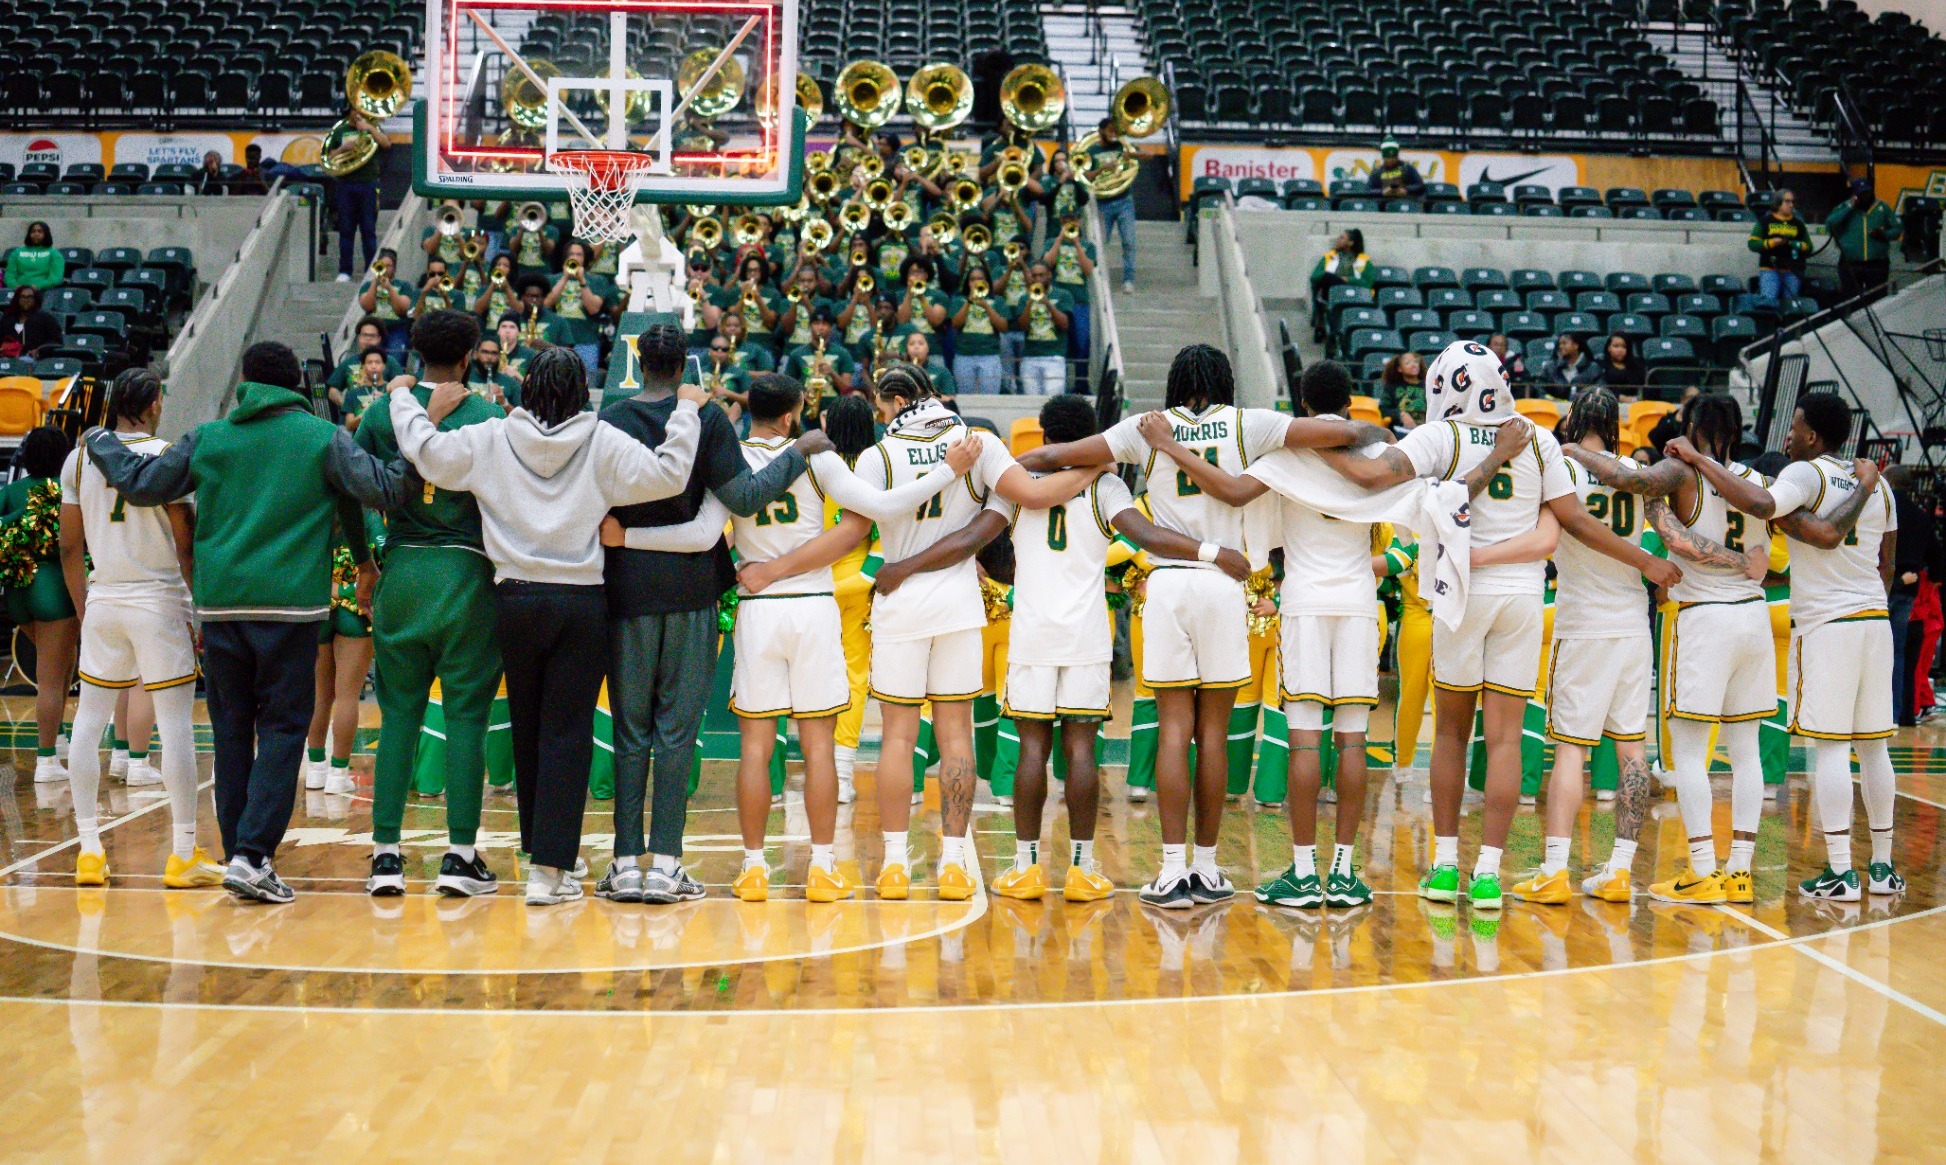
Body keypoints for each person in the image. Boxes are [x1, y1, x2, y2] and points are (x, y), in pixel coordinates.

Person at [1018, 344, 1390, 908]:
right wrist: (1333, 435)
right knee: (1213, 734)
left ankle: (1171, 872)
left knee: (1173, 729)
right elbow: (1356, 434)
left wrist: (1009, 466)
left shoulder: (1146, 428)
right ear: (1226, 380)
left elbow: (1050, 458)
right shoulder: (1253, 424)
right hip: (1225, 580)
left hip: (1168, 581)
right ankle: (1210, 869)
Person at [1316, 341, 1679, 911]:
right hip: (1525, 596)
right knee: (1506, 738)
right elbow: (1572, 521)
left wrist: (1304, 450)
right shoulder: (1536, 439)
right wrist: (1647, 562)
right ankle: (1488, 875)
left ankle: (1443, 868)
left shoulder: (1443, 436)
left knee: (1452, 734)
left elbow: (1369, 476)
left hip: (1463, 592)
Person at [620, 371, 978, 902]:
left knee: (755, 748)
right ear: (794, 413)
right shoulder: (818, 457)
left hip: (759, 609)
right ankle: (822, 867)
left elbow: (700, 534)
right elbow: (873, 515)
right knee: (817, 748)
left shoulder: (729, 456)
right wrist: (945, 473)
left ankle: (754, 868)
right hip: (812, 607)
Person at [876, 393, 1244, 902]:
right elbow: (1150, 537)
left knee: (1032, 749)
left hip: (1031, 633)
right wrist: (1212, 552)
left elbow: (974, 542)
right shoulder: (1106, 485)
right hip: (1086, 638)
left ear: (1045, 435)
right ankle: (1081, 868)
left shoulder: (1014, 489)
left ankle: (1026, 867)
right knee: (1081, 749)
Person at [84, 341, 412, 904]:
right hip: (288, 612)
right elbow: (379, 490)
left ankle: (239, 852)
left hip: (219, 609)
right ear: (297, 387)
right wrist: (414, 429)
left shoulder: (210, 437)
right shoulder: (321, 437)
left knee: (232, 732)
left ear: (246, 382)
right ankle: (253, 855)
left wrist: (99, 439)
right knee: (284, 729)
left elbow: (143, 484)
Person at [388, 347, 705, 906]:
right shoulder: (602, 439)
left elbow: (426, 454)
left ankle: (546, 852)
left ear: (526, 387)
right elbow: (670, 475)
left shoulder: (489, 436)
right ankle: (549, 870)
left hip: (513, 599)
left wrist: (401, 398)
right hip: (581, 604)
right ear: (583, 389)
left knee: (531, 726)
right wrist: (685, 411)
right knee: (566, 733)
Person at [836, 363, 1100, 901]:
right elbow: (1032, 494)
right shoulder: (975, 441)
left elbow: (856, 530)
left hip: (898, 602)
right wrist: (1093, 467)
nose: (881, 415)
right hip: (957, 602)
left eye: (881, 406)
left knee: (898, 736)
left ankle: (893, 865)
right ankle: (954, 863)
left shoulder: (875, 455)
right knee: (956, 734)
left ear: (891, 398)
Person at [1141, 362, 1397, 910]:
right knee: (1352, 739)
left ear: (1301, 404)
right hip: (1358, 603)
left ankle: (1303, 873)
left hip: (1304, 603)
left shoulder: (1281, 458)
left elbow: (1236, 498)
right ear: (1349, 404)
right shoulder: (1375, 457)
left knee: (1304, 737)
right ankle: (1345, 873)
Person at [594, 323, 827, 906]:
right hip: (694, 591)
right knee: (676, 731)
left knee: (630, 729)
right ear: (685, 367)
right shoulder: (707, 418)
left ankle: (624, 863)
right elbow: (746, 498)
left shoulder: (611, 421)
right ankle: (668, 865)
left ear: (637, 361)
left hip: (625, 592)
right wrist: (800, 451)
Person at [1669, 393, 1898, 900]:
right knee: (1875, 746)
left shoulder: (1802, 476)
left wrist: (1698, 458)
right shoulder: (1878, 485)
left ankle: (1841, 870)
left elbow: (1765, 508)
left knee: (1832, 748)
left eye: (1794, 427)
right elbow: (1886, 561)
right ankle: (1882, 865)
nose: (1787, 436)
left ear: (1813, 436)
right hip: (1874, 618)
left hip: (1824, 624)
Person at [1561, 393, 1775, 905]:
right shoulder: (1756, 482)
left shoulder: (1681, 474)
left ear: (1693, 424)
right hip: (1755, 616)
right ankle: (1739, 871)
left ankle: (1703, 868)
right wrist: (1741, 563)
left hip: (1705, 620)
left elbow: (1661, 521)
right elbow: (1763, 561)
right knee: (1746, 753)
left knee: (1690, 754)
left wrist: (1573, 449)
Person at [355, 310, 508, 897]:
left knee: (399, 717)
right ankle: (460, 856)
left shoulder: (378, 413)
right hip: (467, 574)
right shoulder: (490, 417)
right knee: (467, 716)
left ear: (411, 354)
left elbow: (352, 488)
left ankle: (386, 856)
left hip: (403, 570)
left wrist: (366, 560)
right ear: (470, 356)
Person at [1517, 388, 1684, 904]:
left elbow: (1576, 526)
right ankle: (1618, 871)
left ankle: (1553, 870)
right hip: (1634, 624)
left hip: (1584, 623)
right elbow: (1669, 532)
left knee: (1571, 749)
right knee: (1633, 752)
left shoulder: (1561, 466)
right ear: (1616, 424)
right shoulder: (1633, 472)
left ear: (1570, 418)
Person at [55, 370, 216, 889]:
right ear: (150, 404)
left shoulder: (79, 456)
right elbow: (185, 540)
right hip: (160, 597)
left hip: (104, 597)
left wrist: (85, 608)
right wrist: (200, 607)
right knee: (175, 728)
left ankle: (88, 850)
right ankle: (183, 853)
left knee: (88, 722)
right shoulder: (168, 453)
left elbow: (67, 546)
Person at [5, 427, 80, 784]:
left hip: (17, 592)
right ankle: (46, 760)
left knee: (62, 666)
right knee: (51, 679)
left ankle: (59, 738)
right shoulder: (65, 492)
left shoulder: (9, 491)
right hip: (52, 589)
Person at [302, 507, 378, 793]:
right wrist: (347, 591)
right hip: (356, 611)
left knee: (320, 696)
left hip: (318, 607)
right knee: (347, 697)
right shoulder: (369, 517)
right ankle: (338, 774)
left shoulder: (316, 510)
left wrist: (331, 589)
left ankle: (315, 769)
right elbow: (382, 562)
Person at [1886, 465, 1932, 726]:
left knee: (1873, 652)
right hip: (1908, 591)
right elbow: (1936, 559)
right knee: (1898, 654)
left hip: (1884, 586)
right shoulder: (1922, 516)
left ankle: (1870, 714)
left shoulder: (1885, 510)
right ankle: (1895, 713)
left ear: (1890, 482)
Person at [324, 103, 389, 281]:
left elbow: (386, 144)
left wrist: (369, 128)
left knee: (369, 230)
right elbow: (327, 157)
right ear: (349, 112)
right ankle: (345, 271)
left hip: (368, 184)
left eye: (361, 111)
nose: (357, 114)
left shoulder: (372, 128)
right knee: (346, 229)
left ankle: (370, 271)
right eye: (354, 111)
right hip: (346, 184)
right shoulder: (340, 130)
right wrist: (342, 149)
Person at [1083, 117, 1138, 293]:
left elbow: (1148, 155)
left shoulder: (1122, 146)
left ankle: (1128, 279)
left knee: (1129, 241)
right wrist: (1103, 168)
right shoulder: (1091, 150)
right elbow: (1087, 176)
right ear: (1101, 131)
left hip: (1124, 200)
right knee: (1101, 243)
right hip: (1102, 202)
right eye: (1110, 130)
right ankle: (1098, 278)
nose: (1113, 134)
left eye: (1115, 131)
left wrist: (1132, 154)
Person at [1825, 177, 1902, 301]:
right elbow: (1830, 225)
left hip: (1877, 262)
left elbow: (1897, 229)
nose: (1865, 196)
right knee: (1852, 298)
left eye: (1867, 192)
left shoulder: (1882, 207)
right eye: (1861, 193)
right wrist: (1850, 207)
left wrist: (1884, 235)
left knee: (1878, 298)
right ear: (1855, 195)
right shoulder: (1844, 207)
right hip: (1851, 262)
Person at [1014, 262, 1072, 396]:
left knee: (1053, 401)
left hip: (1054, 357)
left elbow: (1064, 325)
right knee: (1031, 402)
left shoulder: (1063, 295)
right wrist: (1029, 303)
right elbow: (1022, 326)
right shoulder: (1024, 298)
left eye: (1041, 275)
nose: (1037, 279)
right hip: (1030, 358)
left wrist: (1047, 303)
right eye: (1034, 276)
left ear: (1049, 276)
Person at [949, 262, 1007, 395]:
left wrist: (986, 306)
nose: (976, 282)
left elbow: (1003, 327)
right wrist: (969, 302)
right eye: (972, 279)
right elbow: (955, 324)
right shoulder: (959, 300)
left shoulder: (997, 301)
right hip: (964, 355)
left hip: (990, 355)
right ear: (967, 283)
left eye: (980, 278)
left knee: (990, 398)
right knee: (965, 397)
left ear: (987, 281)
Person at [1044, 214, 1096, 361]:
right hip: (1058, 301)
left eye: (1073, 220)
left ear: (1079, 221)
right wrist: (1060, 239)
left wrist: (1077, 244)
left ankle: (1081, 383)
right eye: (1065, 220)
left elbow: (1088, 270)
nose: (1069, 223)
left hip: (1079, 301)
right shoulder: (1051, 243)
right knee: (1060, 341)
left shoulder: (1088, 246)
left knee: (1082, 342)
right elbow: (1047, 263)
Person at [1748, 188, 1812, 307]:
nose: (1791, 205)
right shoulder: (1765, 221)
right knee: (1768, 302)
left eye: (1793, 202)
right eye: (1787, 202)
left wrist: (1794, 244)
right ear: (1777, 203)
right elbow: (1752, 244)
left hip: (1793, 271)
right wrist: (1771, 243)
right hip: (1770, 270)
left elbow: (1809, 247)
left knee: (1792, 305)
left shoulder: (1799, 224)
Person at [1308, 230, 1374, 344]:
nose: (1338, 240)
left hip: (1355, 294)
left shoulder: (1364, 260)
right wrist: (1334, 278)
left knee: (1328, 277)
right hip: (1331, 292)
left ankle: (1321, 324)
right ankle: (1323, 325)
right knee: (1326, 277)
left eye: (1342, 238)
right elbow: (1314, 277)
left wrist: (1347, 280)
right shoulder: (1330, 256)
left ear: (1350, 243)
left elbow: (1367, 283)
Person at [0, 284, 62, 361]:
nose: (26, 300)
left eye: (30, 297)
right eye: (23, 297)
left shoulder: (45, 318)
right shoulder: (8, 319)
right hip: (7, 357)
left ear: (35, 299)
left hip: (34, 358)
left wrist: (39, 351)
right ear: (17, 299)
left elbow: (56, 340)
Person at [1534, 333, 1600, 398]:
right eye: (1559, 344)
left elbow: (1599, 391)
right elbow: (1539, 388)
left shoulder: (1592, 368)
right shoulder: (1550, 367)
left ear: (1576, 345)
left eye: (1564, 343)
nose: (1560, 346)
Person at [466, 333, 523, 408]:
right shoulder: (465, 378)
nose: (489, 357)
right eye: (485, 352)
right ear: (475, 354)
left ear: (499, 356)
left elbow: (520, 417)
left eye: (494, 353)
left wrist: (504, 403)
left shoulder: (510, 383)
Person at [5, 221, 64, 290]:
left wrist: (37, 287)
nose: (36, 234)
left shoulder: (54, 254)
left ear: (46, 234)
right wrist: (15, 286)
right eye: (33, 231)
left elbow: (56, 278)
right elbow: (9, 275)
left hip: (43, 292)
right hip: (18, 292)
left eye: (40, 231)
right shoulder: (17, 252)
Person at [1378, 350, 1424, 430]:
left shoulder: (1429, 385)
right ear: (1399, 369)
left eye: (1416, 362)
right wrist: (1401, 415)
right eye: (1407, 363)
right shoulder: (1391, 387)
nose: (1413, 365)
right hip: (1400, 430)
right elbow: (1384, 409)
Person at [902, 332, 956, 399]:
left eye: (921, 343)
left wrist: (929, 396)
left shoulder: (941, 371)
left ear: (928, 348)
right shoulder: (900, 372)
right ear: (907, 349)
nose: (916, 347)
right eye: (911, 344)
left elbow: (951, 398)